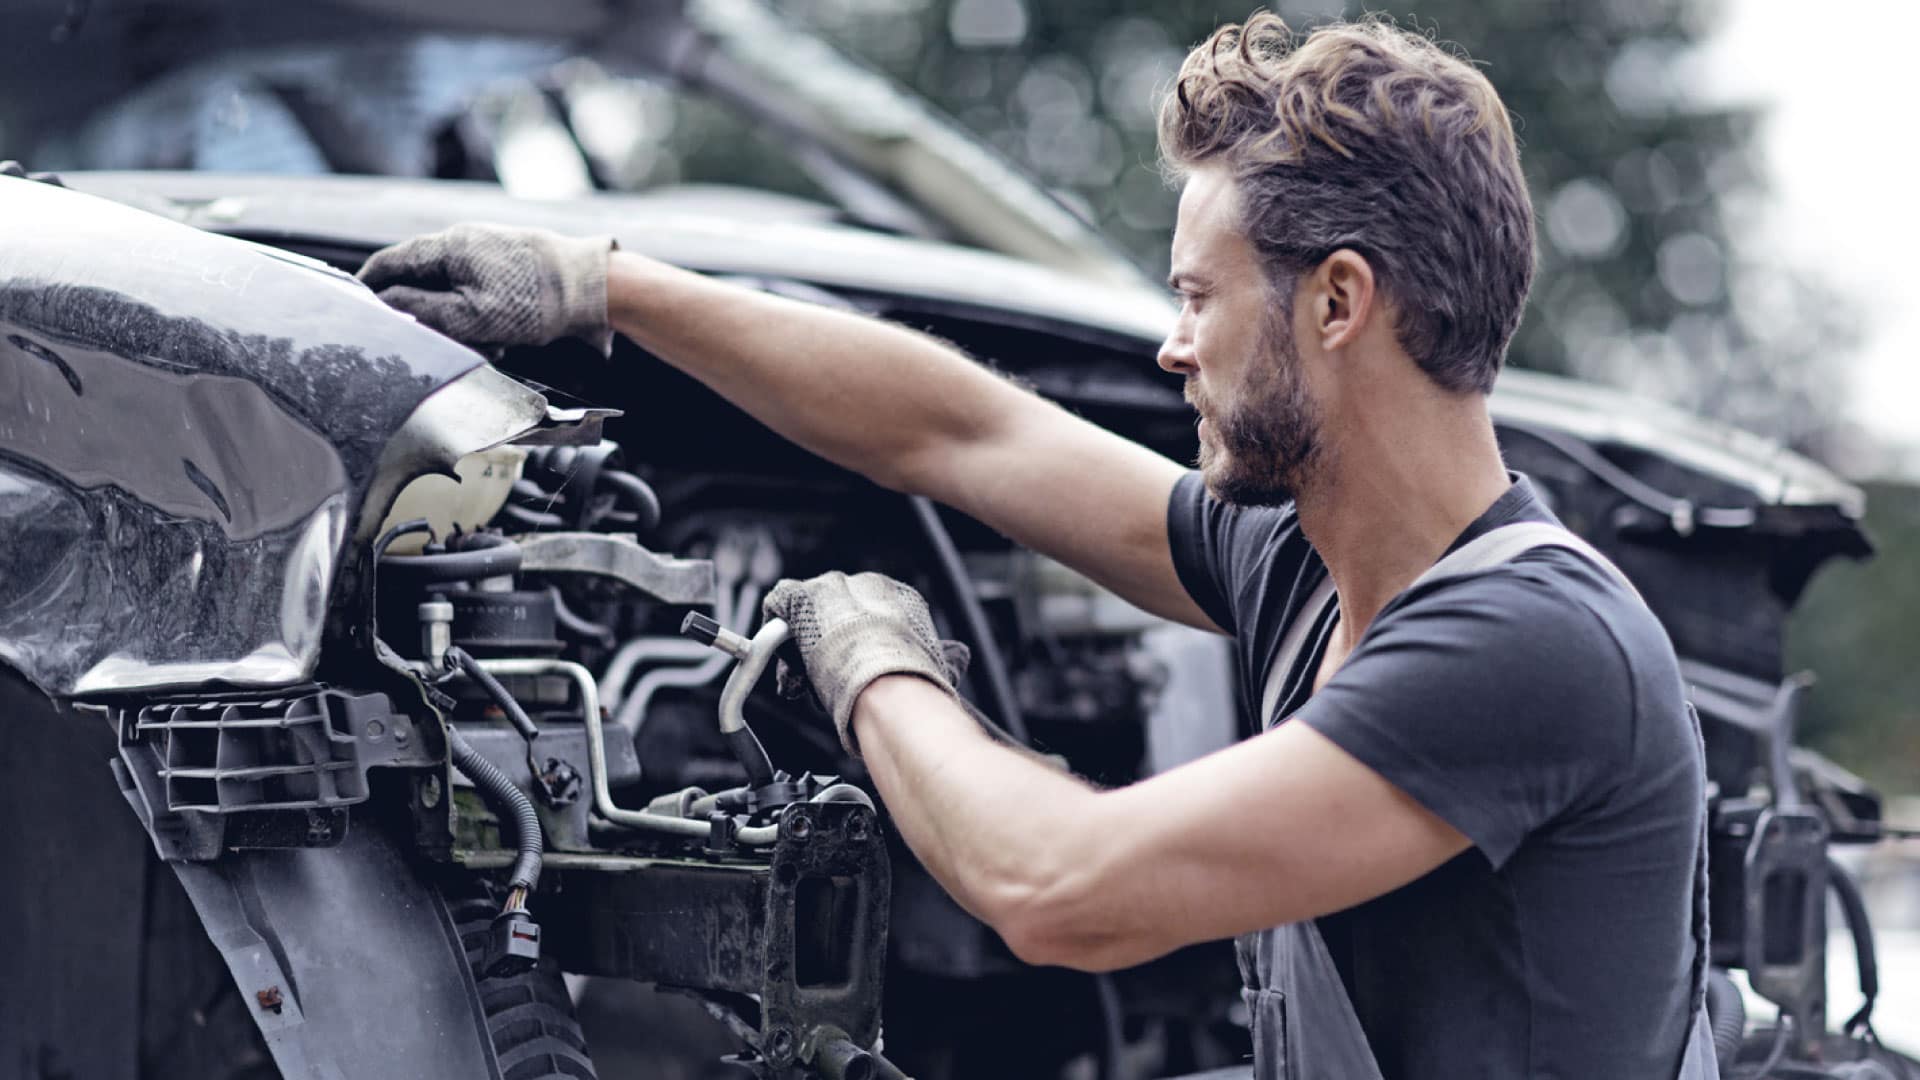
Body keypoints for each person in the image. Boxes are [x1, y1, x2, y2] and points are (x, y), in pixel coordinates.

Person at [360, 14, 1713, 1078]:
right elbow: (966, 436)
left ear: (1341, 303)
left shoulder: (1531, 646)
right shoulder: (1308, 559)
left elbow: (1063, 889)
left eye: (1198, 299)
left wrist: (873, 666)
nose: (1173, 348)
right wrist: (611, 287)